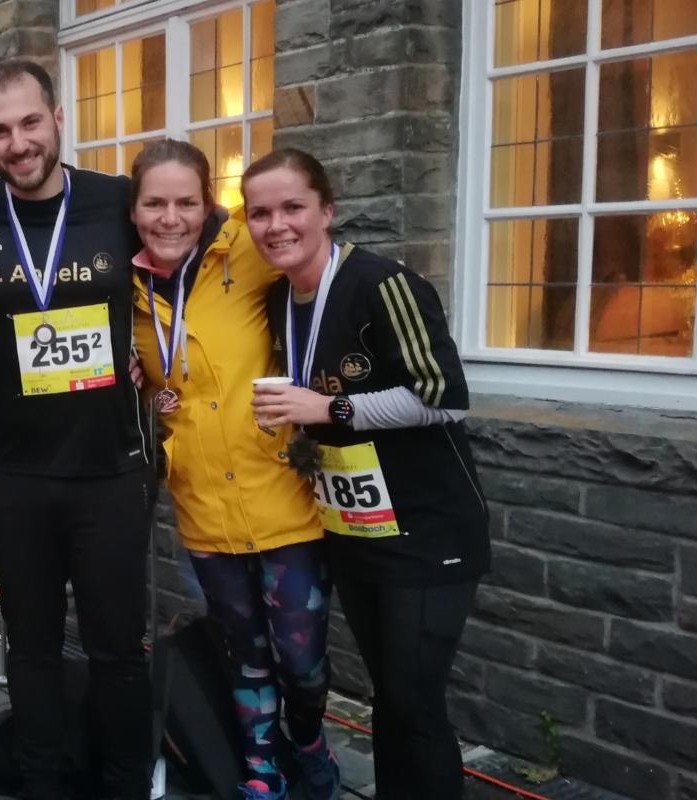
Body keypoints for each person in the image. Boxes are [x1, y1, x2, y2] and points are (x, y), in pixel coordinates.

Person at [0, 59, 152, 799]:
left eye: (30, 122)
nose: (17, 142)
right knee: (28, 647)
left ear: (58, 118)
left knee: (117, 647)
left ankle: (125, 783)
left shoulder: (115, 201)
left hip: (109, 472)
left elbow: (191, 253)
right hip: (9, 474)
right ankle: (42, 783)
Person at [246, 148, 490, 800]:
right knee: (391, 698)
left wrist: (328, 407)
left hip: (428, 530)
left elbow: (445, 398)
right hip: (353, 526)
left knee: (414, 702)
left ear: (327, 210)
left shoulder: (384, 285)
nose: (277, 225)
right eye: (260, 213)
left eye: (293, 207)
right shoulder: (277, 300)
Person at [127, 140, 337, 800]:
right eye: (154, 203)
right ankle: (261, 766)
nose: (170, 217)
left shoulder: (247, 248)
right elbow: (151, 390)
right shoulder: (121, 290)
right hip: (204, 513)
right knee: (243, 654)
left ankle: (305, 740)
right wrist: (141, 391)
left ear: (210, 205)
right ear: (133, 211)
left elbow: (316, 271)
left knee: (302, 664)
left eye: (186, 201)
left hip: (283, 501)